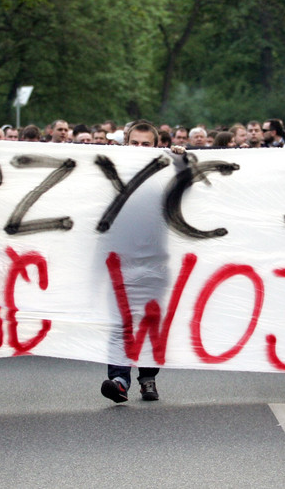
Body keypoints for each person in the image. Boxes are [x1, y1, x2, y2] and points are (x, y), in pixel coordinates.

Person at [100, 121, 172, 403]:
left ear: (156, 147)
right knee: (120, 320)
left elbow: (193, 189)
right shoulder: (109, 172)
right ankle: (119, 379)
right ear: (125, 143)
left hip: (155, 260)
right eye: (134, 143)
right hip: (119, 260)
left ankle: (148, 377)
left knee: (150, 319)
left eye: (146, 145)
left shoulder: (165, 174)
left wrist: (180, 160)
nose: (139, 149)